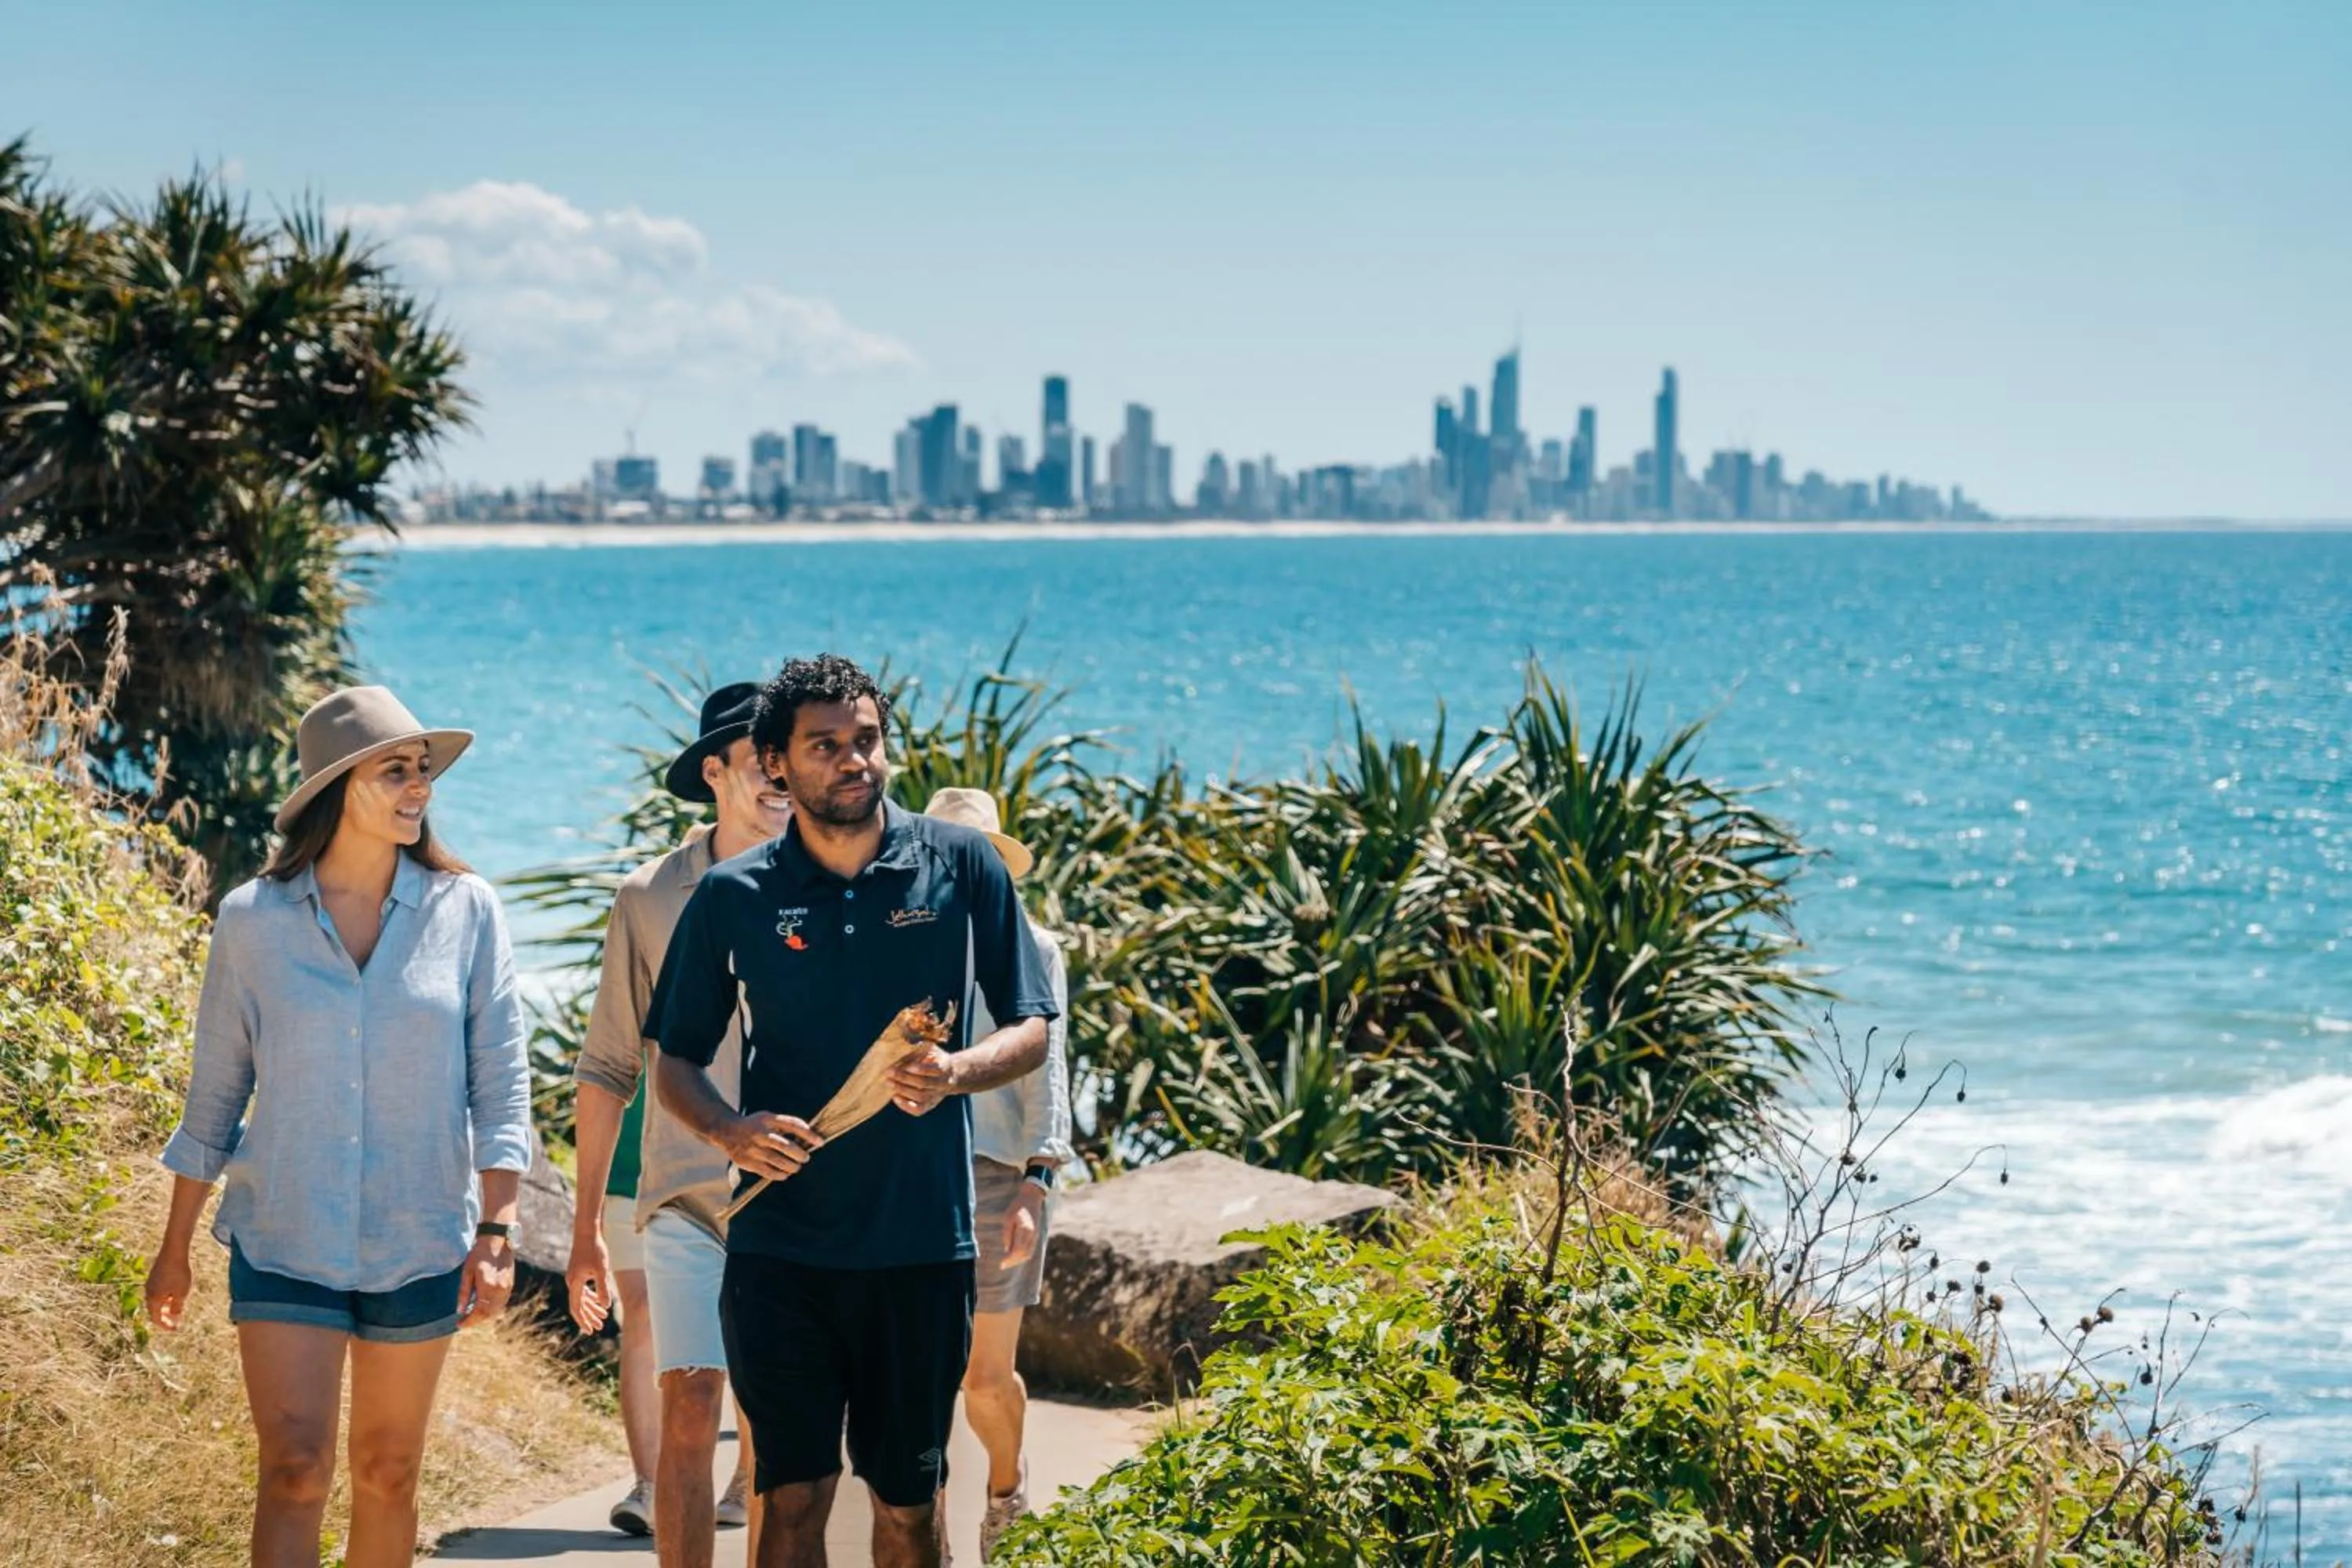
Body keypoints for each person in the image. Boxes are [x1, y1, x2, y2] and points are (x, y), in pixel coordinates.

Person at [652, 654, 1057, 1568]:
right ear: (775, 764)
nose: (853, 760)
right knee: (790, 1498)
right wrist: (729, 1130)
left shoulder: (959, 866)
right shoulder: (733, 896)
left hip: (921, 1247)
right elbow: (671, 1057)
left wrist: (958, 1069)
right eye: (825, 745)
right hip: (780, 1253)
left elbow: (1032, 1026)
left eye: (866, 739)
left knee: (909, 1506)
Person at [143, 686, 530, 1568]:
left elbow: (501, 1085)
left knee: (389, 1470)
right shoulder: (252, 920)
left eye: (422, 770)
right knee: (293, 1467)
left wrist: (498, 1230)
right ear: (336, 786)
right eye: (396, 769)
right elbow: (215, 1094)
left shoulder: (466, 910)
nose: (418, 786)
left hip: (421, 1236)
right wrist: (173, 1244)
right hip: (285, 1235)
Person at [567, 683, 789, 1564]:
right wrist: (585, 1226)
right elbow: (608, 1064)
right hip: (684, 1197)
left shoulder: (834, 877)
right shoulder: (650, 895)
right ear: (714, 771)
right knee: (690, 1406)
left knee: (779, 1428)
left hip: (798, 1197)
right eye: (758, 758)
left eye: (787, 755)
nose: (779, 774)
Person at [920, 789, 1073, 1562]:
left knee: (983, 1379)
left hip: (1000, 1171)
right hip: (909, 1173)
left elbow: (1052, 1072)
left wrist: (1037, 1180)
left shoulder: (1034, 946)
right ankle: (927, 1535)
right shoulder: (901, 940)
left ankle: (1007, 1490)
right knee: (917, 1375)